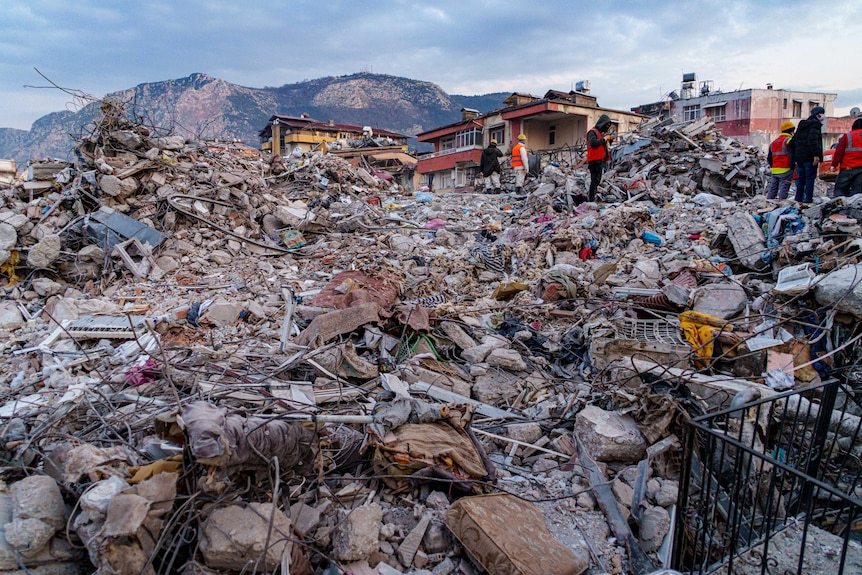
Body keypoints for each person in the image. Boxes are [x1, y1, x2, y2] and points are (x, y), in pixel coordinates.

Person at [788, 105, 826, 203]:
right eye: (822, 114)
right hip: (809, 158)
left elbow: (793, 142)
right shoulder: (815, 125)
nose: (823, 116)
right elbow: (812, 140)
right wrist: (816, 156)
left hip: (799, 158)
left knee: (801, 179)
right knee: (810, 179)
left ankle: (798, 199)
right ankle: (808, 199)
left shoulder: (802, 125)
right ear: (818, 115)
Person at [831, 117, 862, 197]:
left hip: (848, 167)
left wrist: (834, 165)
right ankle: (853, 208)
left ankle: (839, 206)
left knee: (840, 189)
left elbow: (839, 152)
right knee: (857, 191)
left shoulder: (848, 136)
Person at [586, 114, 614, 202]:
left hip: (599, 160)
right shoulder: (592, 132)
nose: (606, 128)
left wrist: (609, 139)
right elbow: (594, 143)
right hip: (594, 160)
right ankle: (591, 199)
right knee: (594, 180)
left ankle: (592, 198)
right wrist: (604, 139)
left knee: (597, 180)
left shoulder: (600, 134)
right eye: (606, 125)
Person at [766, 121, 796, 200]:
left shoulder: (773, 142)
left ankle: (768, 203)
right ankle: (782, 204)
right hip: (786, 169)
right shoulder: (789, 140)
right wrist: (793, 167)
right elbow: (792, 155)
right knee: (783, 189)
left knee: (772, 189)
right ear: (791, 131)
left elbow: (769, 158)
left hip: (775, 170)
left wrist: (773, 166)